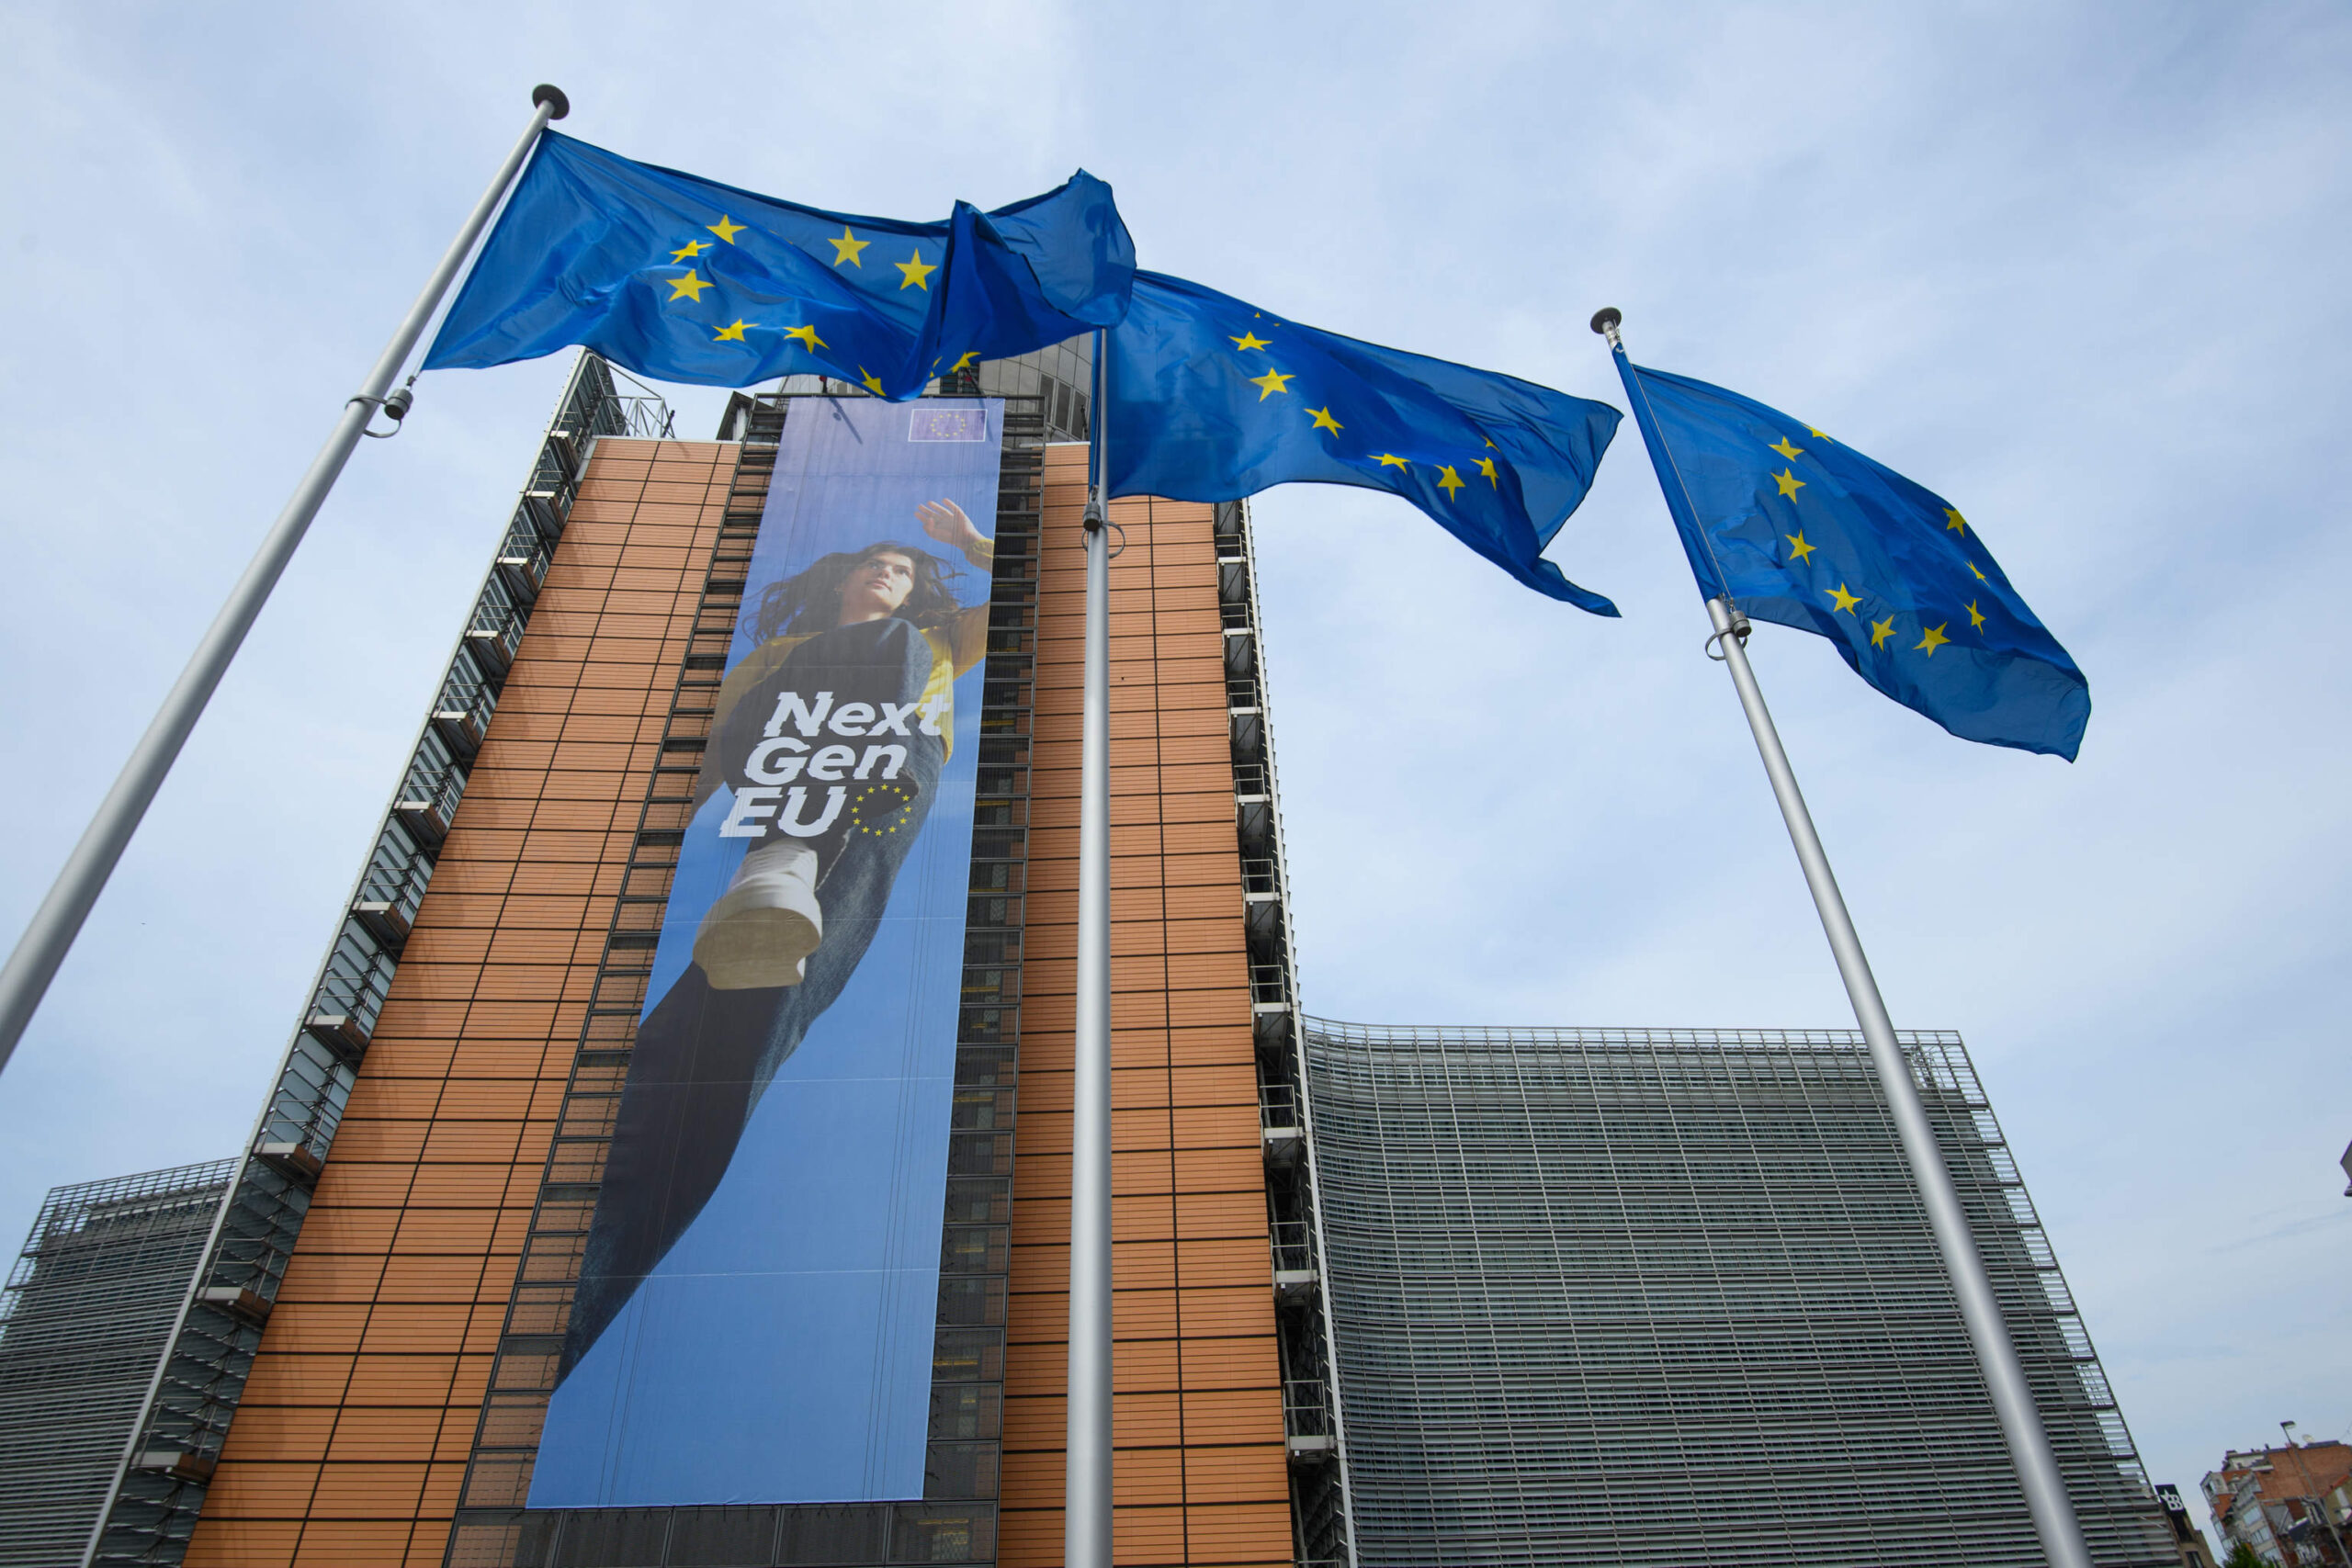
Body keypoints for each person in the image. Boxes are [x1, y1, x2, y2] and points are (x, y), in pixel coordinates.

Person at [560, 498, 993, 1379]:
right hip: (779, 772)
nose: (888, 573)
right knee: (804, 677)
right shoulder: (777, 658)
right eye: (875, 562)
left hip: (885, 779)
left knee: (747, 1019)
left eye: (904, 570)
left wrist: (968, 543)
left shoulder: (934, 642)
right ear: (841, 577)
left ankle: (789, 869)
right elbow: (704, 757)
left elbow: (1040, 586)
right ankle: (782, 861)